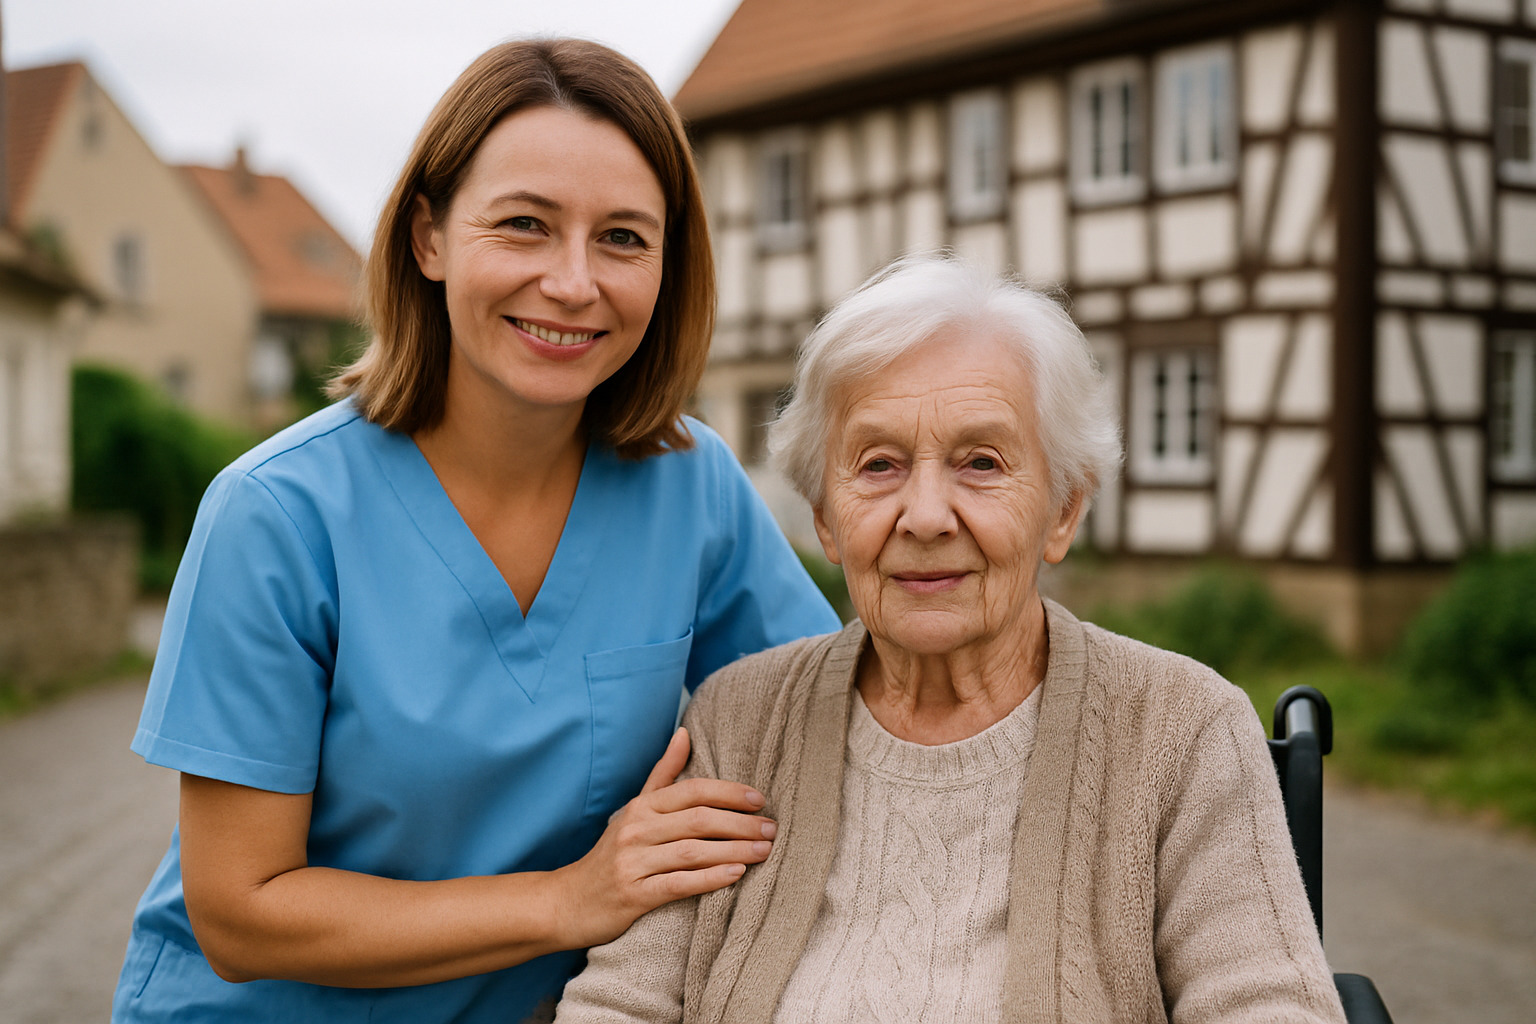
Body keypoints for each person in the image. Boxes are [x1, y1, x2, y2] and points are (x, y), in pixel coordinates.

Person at [111, 39, 839, 1024]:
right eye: (525, 225)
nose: (574, 282)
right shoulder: (276, 515)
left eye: (623, 238)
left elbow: (834, 716)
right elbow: (242, 914)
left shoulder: (691, 486)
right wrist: (568, 898)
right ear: (431, 238)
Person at [554, 255, 1348, 1023]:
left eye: (980, 462)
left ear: (1064, 509)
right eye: (878, 465)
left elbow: (1268, 1005)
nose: (926, 515)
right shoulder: (736, 723)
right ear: (826, 518)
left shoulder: (1181, 728)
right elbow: (622, 1004)